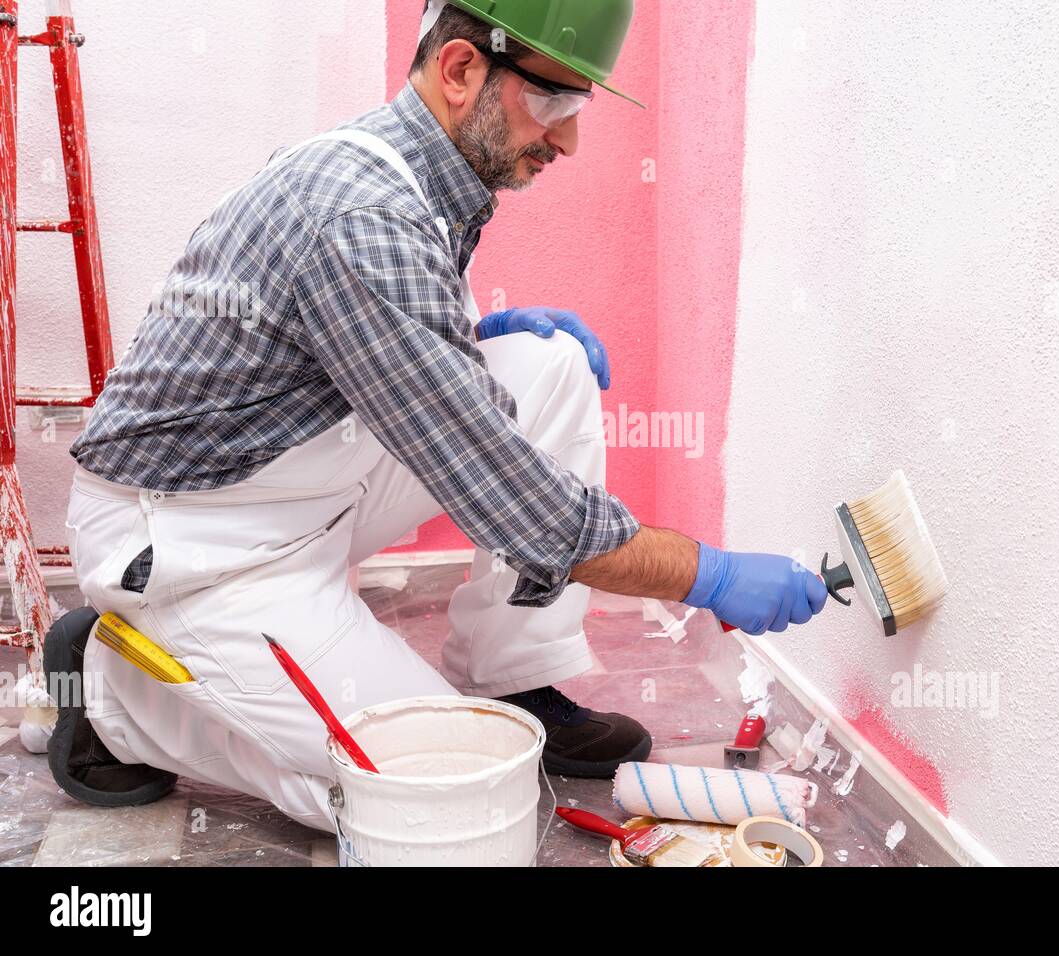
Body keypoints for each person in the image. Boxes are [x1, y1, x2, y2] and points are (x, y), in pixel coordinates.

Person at [46, 0, 827, 830]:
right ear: (460, 70)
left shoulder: (409, 169)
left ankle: (509, 670)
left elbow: (339, 345)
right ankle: (114, 699)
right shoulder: (361, 211)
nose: (567, 141)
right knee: (435, 800)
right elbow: (522, 508)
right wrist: (707, 575)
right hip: (199, 540)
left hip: (291, 481)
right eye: (556, 103)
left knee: (548, 368)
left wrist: (462, 340)